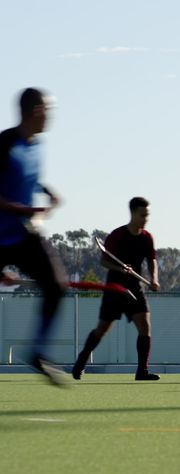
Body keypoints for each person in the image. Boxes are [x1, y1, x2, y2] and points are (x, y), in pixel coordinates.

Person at [0, 88, 67, 386]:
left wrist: (47, 192)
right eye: (49, 110)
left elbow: (28, 177)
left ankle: (38, 351)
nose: (51, 116)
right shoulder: (5, 143)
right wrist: (27, 208)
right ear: (36, 110)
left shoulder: (38, 145)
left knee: (56, 286)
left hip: (24, 235)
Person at [72, 197, 161, 381]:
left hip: (135, 288)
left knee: (145, 326)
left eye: (147, 215)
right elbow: (104, 261)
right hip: (115, 288)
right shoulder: (117, 235)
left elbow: (151, 260)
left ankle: (142, 371)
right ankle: (81, 362)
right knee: (102, 329)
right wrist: (121, 269)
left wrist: (154, 279)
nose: (146, 218)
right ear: (133, 213)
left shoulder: (147, 238)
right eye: (143, 215)